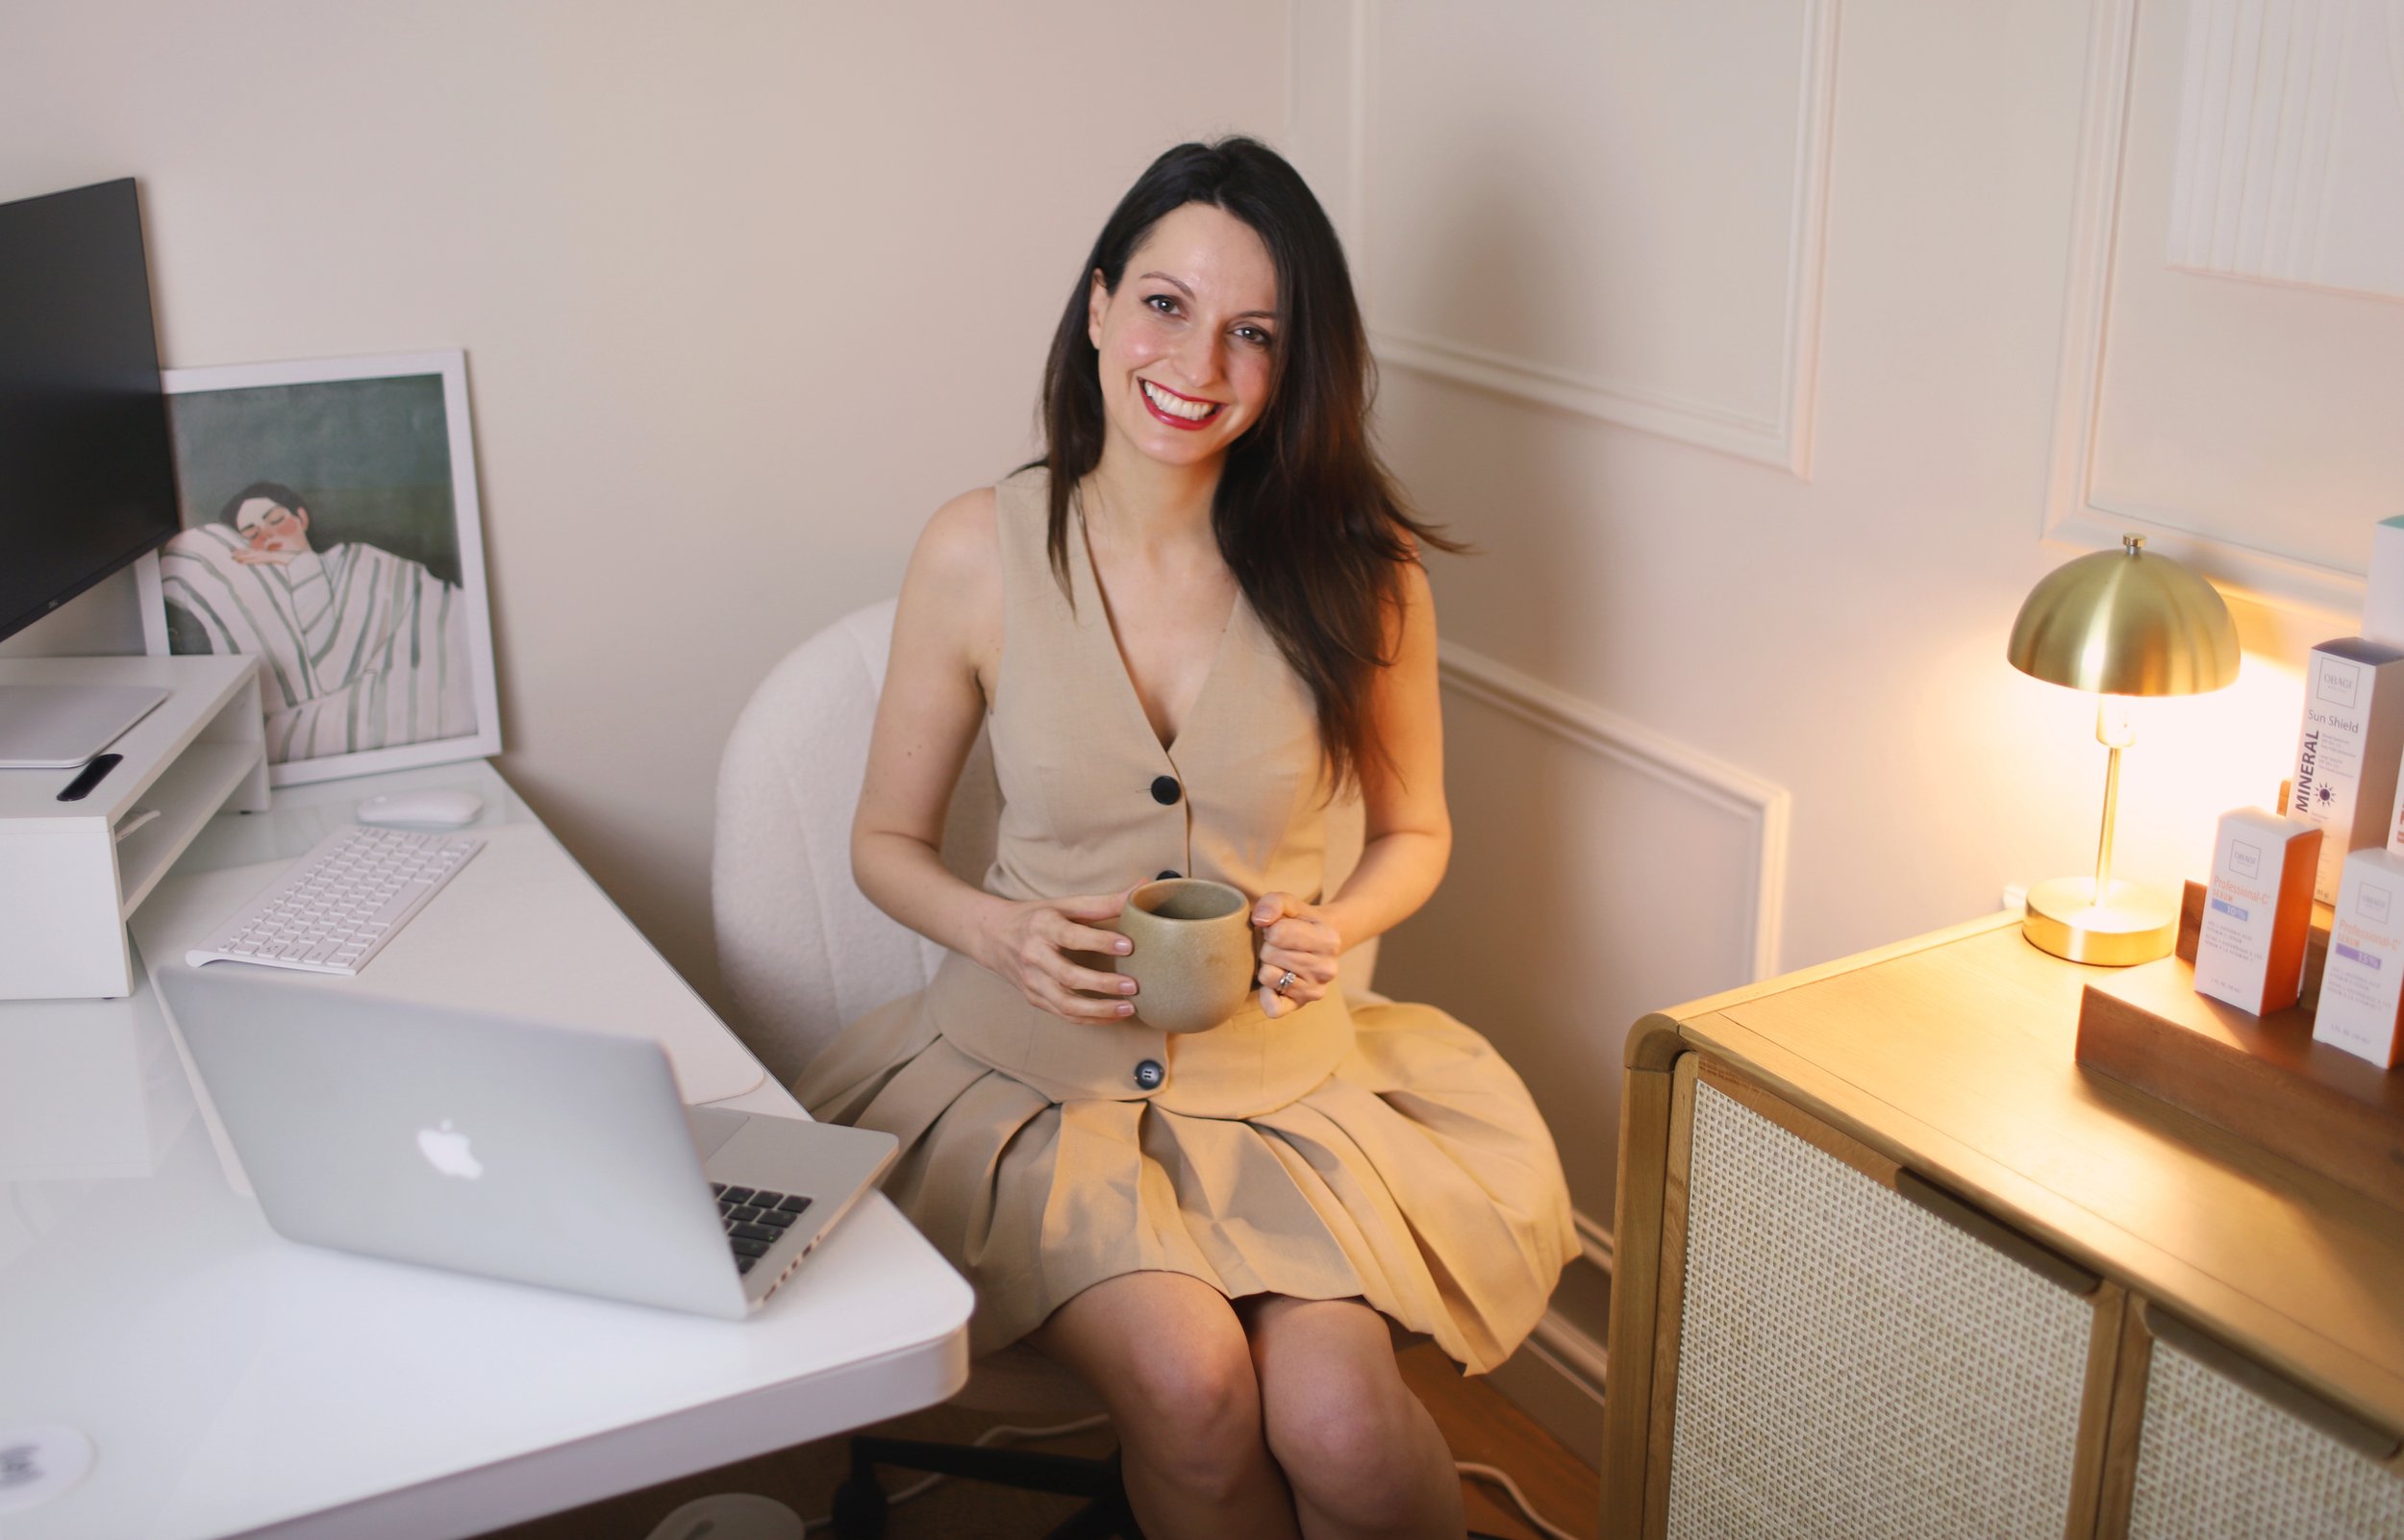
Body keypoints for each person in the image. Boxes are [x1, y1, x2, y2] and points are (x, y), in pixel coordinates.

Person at [793, 138, 1575, 1540]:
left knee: (1336, 1422)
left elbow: (1417, 830)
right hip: (1028, 1099)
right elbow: (883, 841)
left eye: (1252, 332)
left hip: (1289, 1094)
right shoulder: (976, 547)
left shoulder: (1363, 569)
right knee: (1196, 1387)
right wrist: (998, 929)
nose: (1196, 363)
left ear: (1296, 364)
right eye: (1163, 305)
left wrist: (1341, 921)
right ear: (1096, 307)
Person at [160, 481, 475, 764]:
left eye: (275, 520)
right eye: (253, 534)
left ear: (301, 519)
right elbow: (325, 670)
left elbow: (410, 601)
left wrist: (297, 561)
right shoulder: (270, 603)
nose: (267, 535)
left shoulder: (358, 560)